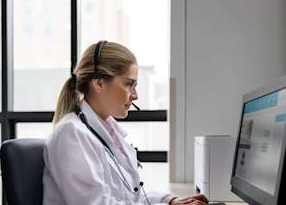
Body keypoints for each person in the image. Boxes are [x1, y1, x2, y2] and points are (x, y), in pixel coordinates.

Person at [43, 41, 208, 205]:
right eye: (129, 84)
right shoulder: (72, 134)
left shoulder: (107, 132)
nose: (135, 96)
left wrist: (169, 200)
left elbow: (130, 199)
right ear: (99, 84)